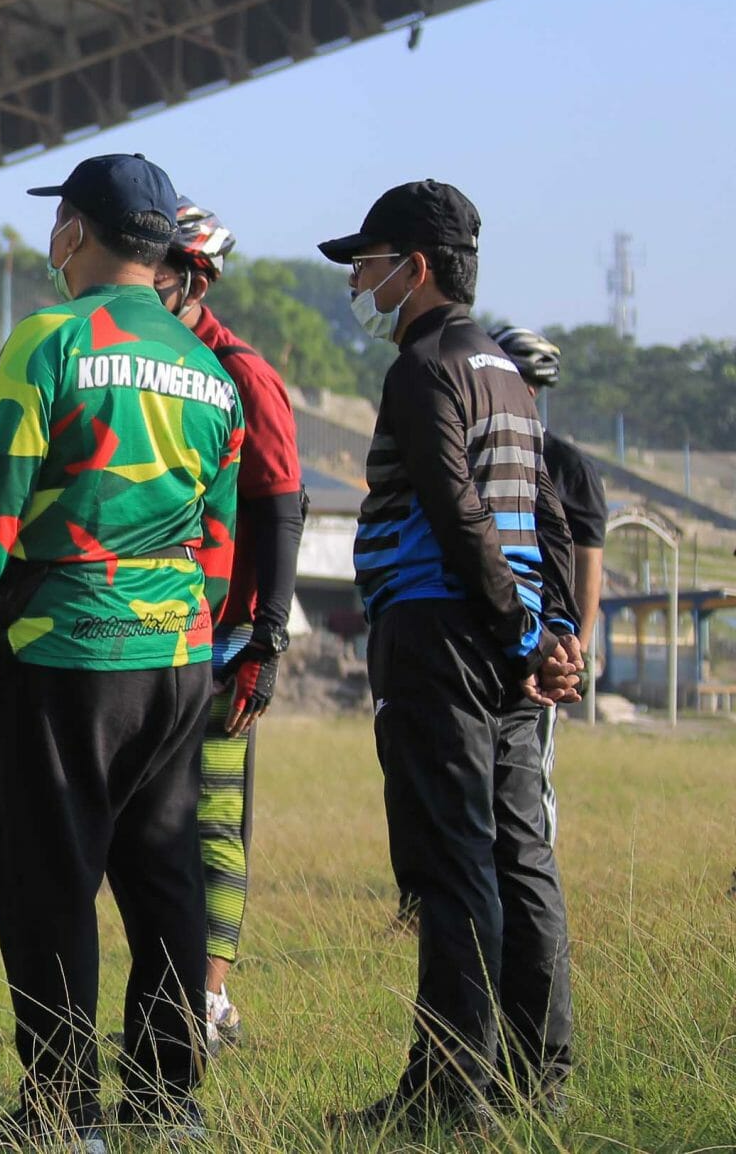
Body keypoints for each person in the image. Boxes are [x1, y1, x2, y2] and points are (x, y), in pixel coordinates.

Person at [0, 154, 245, 1150]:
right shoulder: (207, 367)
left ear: (73, 230)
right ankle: (168, 1102)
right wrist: (188, 627)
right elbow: (222, 532)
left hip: (64, 650)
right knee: (166, 880)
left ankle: (61, 1113)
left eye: (57, 223)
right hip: (177, 659)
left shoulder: (48, 338)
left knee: (48, 879)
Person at [317, 182, 584, 1129]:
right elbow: (545, 516)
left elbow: (455, 509)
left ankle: (446, 1095)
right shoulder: (509, 374)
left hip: (441, 635)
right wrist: (555, 635)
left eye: (369, 262)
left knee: (453, 862)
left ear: (415, 268)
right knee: (521, 856)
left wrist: (520, 630)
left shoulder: (423, 368)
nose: (360, 281)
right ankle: (535, 1077)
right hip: (508, 644)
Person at [151, 201, 305, 1054]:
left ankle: (208, 999)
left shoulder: (242, 370)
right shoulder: (149, 360)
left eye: (163, 269)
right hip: (152, 629)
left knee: (211, 817)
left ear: (194, 278)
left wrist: (269, 638)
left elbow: (283, 504)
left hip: (227, 636)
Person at [497, 326, 609, 787]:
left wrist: (569, 657)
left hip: (545, 640)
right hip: (490, 630)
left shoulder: (568, 466)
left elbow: (588, 570)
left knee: (530, 779)